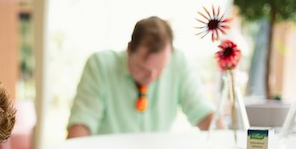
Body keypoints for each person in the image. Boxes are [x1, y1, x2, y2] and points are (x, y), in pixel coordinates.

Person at [67, 16, 218, 138]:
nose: (152, 76)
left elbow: (202, 113)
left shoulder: (178, 62)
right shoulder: (100, 65)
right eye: (143, 68)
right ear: (128, 50)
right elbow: (82, 123)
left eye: (160, 68)